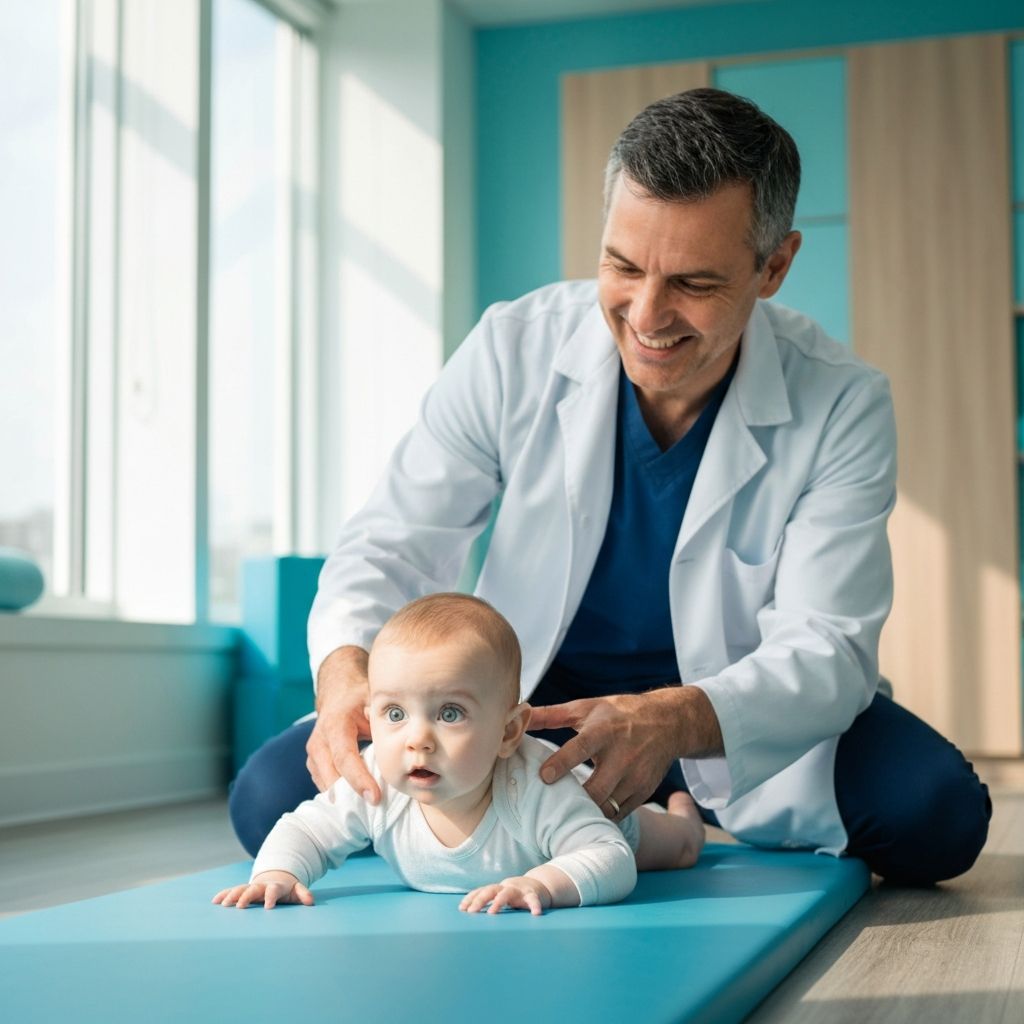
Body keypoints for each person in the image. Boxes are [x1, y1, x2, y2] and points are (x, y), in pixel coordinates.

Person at [229, 87, 990, 886]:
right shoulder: (510, 350)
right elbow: (390, 543)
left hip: (726, 712)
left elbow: (828, 643)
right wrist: (347, 670)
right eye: (623, 266)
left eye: (694, 283)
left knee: (935, 814)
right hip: (524, 711)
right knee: (269, 798)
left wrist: (674, 719)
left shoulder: (841, 401)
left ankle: (671, 813)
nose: (647, 314)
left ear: (774, 266)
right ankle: (613, 821)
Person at [215, 593, 705, 913]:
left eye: (449, 714)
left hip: (600, 817)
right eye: (393, 714)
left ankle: (680, 808)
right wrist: (277, 872)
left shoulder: (536, 787)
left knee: (674, 846)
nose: (417, 739)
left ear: (509, 732)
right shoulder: (376, 782)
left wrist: (543, 884)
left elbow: (609, 856)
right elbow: (307, 829)